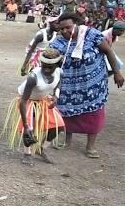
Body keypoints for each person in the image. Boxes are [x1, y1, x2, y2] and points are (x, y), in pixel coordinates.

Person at [49, 12, 124, 158]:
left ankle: (90, 147)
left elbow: (108, 51)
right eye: (62, 29)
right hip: (68, 87)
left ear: (77, 24)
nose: (65, 31)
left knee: (94, 115)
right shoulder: (58, 42)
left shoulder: (92, 35)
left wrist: (117, 72)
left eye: (68, 27)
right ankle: (67, 141)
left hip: (92, 85)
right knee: (67, 112)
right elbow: (51, 61)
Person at [2, 48, 65, 166]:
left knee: (58, 126)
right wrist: (25, 125)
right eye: (44, 65)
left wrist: (56, 97)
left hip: (43, 100)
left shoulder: (59, 72)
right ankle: (27, 154)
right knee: (29, 130)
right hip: (27, 102)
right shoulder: (33, 77)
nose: (46, 69)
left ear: (57, 65)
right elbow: (23, 100)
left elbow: (58, 84)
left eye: (50, 67)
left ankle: (40, 149)